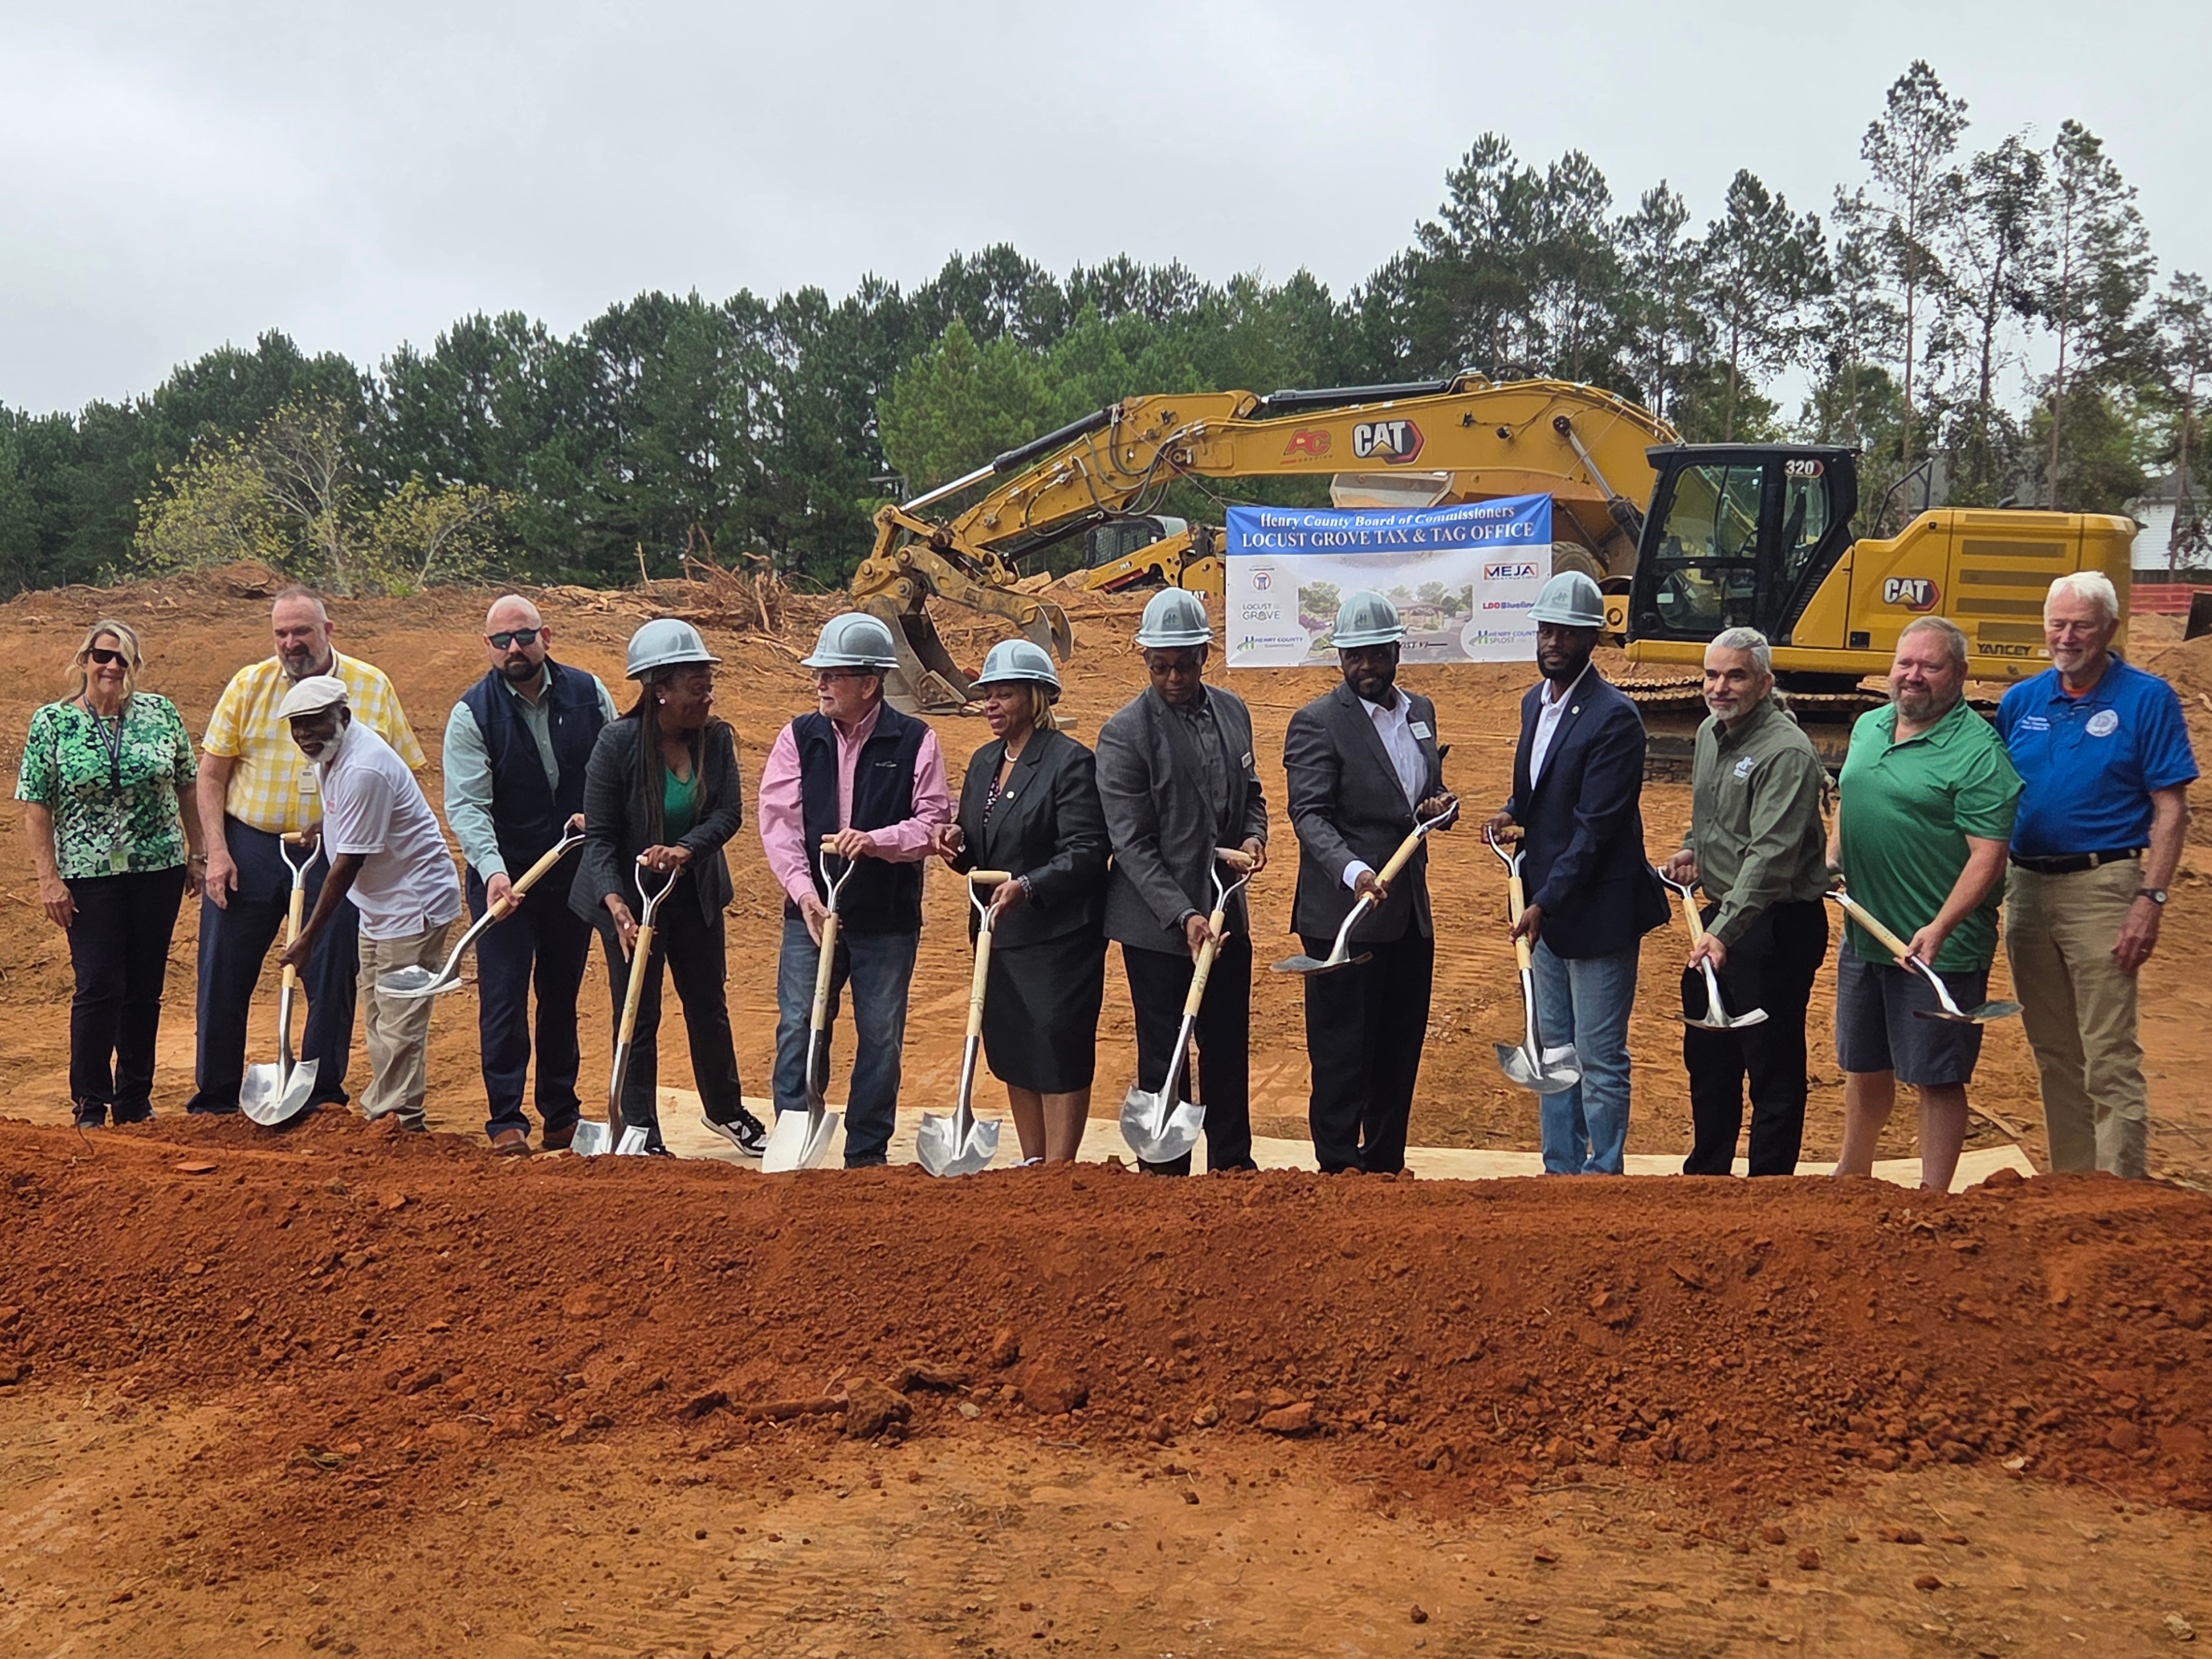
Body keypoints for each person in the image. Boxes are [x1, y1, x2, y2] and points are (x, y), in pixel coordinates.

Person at [190, 587, 424, 1116]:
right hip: (251, 844)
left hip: (337, 851)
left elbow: (402, 771)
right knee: (225, 969)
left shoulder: (371, 685)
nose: (291, 643)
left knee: (331, 967)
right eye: (282, 633)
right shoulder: (250, 685)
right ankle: (218, 1095)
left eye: (302, 631)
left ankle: (320, 1093)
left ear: (328, 631)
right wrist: (218, 854)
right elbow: (211, 773)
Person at [1997, 571, 2196, 1180]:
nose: (2067, 636)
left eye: (2081, 624)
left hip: (2104, 887)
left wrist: (2150, 900)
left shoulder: (2146, 699)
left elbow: (2171, 809)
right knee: (2054, 1051)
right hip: (2026, 888)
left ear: (2109, 628)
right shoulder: (2021, 702)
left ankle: (2119, 1195)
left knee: (2108, 1052)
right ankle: (2071, 1186)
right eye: (2057, 623)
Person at [1483, 571, 1667, 1175]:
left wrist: (1543, 901)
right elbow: (1537, 799)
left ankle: (1602, 1173)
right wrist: (1511, 815)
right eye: (1545, 629)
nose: (1552, 642)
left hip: (1596, 911)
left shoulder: (1615, 719)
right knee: (1551, 1048)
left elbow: (1595, 829)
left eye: (1566, 632)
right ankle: (1559, 1171)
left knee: (1598, 1055)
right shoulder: (1533, 703)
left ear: (1593, 639)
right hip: (1547, 907)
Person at [1831, 616, 2022, 1192]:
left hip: (1937, 948)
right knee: (1864, 1065)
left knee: (1935, 1074)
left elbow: (1988, 856)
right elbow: (1850, 802)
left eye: (1929, 665)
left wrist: (1939, 927)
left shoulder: (1979, 754)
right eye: (1904, 663)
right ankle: (1851, 1175)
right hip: (1867, 931)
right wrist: (1832, 859)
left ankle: (1933, 1197)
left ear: (1959, 675)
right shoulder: (1869, 726)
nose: (1912, 676)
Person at [759, 612, 951, 1168]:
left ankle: (866, 1153)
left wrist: (875, 841)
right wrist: (803, 893)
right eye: (818, 674)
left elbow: (931, 824)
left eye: (831, 675)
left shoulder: (914, 739)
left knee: (881, 1037)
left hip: (884, 917)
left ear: (869, 684)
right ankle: (795, 1132)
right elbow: (778, 824)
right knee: (798, 1024)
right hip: (812, 913)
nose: (819, 684)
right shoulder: (799, 737)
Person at [571, 619, 764, 1156]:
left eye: (709, 686)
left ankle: (725, 1110)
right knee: (637, 1011)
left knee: (708, 1005)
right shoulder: (615, 745)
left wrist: (686, 850)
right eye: (696, 688)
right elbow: (602, 837)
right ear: (659, 689)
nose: (707, 697)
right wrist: (614, 901)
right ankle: (641, 1130)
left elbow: (728, 813)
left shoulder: (716, 739)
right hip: (630, 903)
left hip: (694, 895)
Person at [1095, 589, 1269, 1175]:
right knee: (1165, 1050)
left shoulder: (1233, 711)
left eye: (1185, 665)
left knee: (1226, 1048)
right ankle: (1165, 1175)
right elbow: (1132, 844)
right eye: (1160, 666)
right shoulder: (1125, 733)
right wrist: (1183, 915)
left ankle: (1232, 1169)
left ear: (1204, 657)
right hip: (1156, 926)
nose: (1172, 677)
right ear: (1146, 662)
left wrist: (1253, 839)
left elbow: (1252, 798)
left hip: (1226, 914)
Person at [1283, 591, 1454, 1175]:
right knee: (1340, 1054)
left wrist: (1441, 805)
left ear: (1395, 651)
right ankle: (1337, 1170)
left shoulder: (1420, 712)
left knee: (1397, 1048)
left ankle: (1383, 1166)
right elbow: (1308, 815)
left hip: (1408, 914)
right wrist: (1353, 871)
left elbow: (1423, 799)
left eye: (1376, 654)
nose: (1366, 667)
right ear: (1340, 658)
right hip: (1344, 918)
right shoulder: (1317, 723)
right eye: (1354, 656)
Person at [444, 596, 619, 1155]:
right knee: (503, 995)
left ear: (547, 635)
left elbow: (617, 764)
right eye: (501, 641)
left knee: (561, 993)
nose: (513, 649)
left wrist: (603, 812)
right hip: (505, 876)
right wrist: (494, 873)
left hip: (573, 873)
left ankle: (561, 1114)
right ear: (488, 647)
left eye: (523, 637)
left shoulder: (590, 694)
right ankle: (506, 1120)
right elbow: (469, 806)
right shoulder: (472, 714)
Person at [16, 621, 204, 1127]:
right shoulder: (53, 723)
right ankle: (90, 1104)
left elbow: (189, 785)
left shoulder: (161, 714)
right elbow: (37, 806)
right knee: (99, 984)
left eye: (124, 660)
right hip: (86, 874)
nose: (112, 667)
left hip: (156, 868)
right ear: (84, 661)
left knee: (145, 986)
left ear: (134, 668)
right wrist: (48, 878)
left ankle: (135, 1100)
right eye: (103, 656)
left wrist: (198, 852)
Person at [1658, 628, 1831, 1176]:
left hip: (1776, 924)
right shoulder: (1712, 733)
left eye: (1735, 676)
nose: (1720, 687)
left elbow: (1769, 858)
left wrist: (1722, 933)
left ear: (1763, 683)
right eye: (1712, 675)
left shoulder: (1785, 753)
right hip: (1727, 917)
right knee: (1709, 1056)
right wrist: (1692, 848)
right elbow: (1710, 814)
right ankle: (1707, 1176)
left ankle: (1768, 1192)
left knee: (1770, 1063)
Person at [940, 639, 1109, 1165]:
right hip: (999, 932)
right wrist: (955, 843)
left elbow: (1088, 848)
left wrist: (1029, 885)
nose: (990, 705)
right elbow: (977, 845)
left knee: (1056, 1044)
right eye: (987, 695)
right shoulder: (983, 761)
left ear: (1036, 698)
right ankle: (1032, 1161)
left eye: (1003, 695)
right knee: (1014, 1046)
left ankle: (1060, 1166)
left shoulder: (1070, 762)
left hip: (1058, 935)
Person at [276, 677, 463, 1131]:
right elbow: (351, 817)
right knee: (378, 1011)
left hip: (412, 904)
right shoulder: (333, 754)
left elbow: (347, 866)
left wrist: (308, 938)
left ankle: (400, 1121)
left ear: (343, 717)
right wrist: (326, 824)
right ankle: (388, 1115)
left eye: (313, 725)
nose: (305, 736)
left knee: (400, 1018)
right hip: (379, 903)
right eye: (297, 727)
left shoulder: (364, 767)